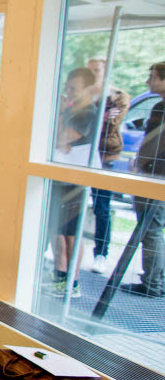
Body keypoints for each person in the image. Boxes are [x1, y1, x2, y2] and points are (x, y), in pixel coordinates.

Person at [44, 68, 98, 298]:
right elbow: (52, 137)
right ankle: (60, 275)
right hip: (60, 179)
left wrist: (60, 139)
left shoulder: (87, 112)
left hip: (75, 181)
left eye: (73, 88)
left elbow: (62, 137)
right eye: (67, 86)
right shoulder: (70, 110)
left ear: (88, 88)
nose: (69, 91)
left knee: (72, 234)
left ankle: (72, 281)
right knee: (58, 230)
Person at [120, 62, 165, 298]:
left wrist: (140, 164)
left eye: (153, 77)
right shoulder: (159, 107)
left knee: (151, 228)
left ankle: (153, 283)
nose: (148, 82)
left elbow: (154, 144)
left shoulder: (161, 108)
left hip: (155, 176)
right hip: (155, 174)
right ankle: (156, 280)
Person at [86, 57, 130, 274]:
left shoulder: (118, 97)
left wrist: (97, 119)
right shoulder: (83, 95)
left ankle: (101, 254)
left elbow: (111, 125)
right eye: (90, 70)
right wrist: (98, 117)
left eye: (97, 70)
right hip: (81, 154)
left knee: (102, 207)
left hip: (105, 157)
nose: (94, 74)